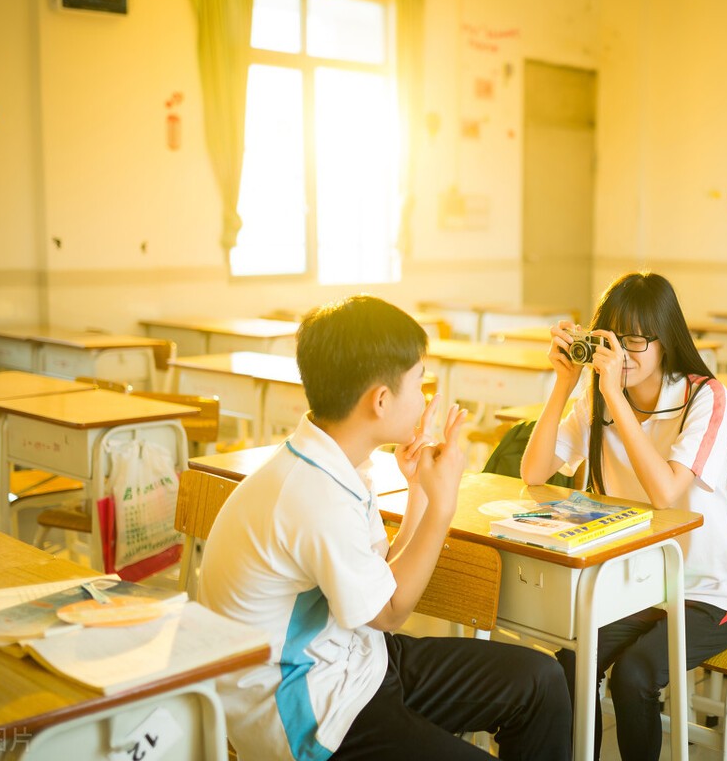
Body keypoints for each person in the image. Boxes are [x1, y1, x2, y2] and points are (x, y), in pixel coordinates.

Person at [199, 296, 572, 761]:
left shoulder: (335, 461)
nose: (425, 396)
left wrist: (417, 490)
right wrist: (442, 504)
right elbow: (392, 611)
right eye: (419, 381)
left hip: (356, 660)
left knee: (542, 681)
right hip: (310, 713)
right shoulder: (315, 494)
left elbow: (381, 578)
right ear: (380, 400)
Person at [521, 271, 727, 761]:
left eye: (635, 342)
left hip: (710, 592)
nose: (623, 357)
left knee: (634, 675)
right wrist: (565, 383)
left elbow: (666, 492)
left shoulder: (704, 396)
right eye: (612, 341)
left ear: (665, 341)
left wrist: (614, 398)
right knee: (568, 667)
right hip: (637, 583)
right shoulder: (598, 395)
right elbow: (534, 470)